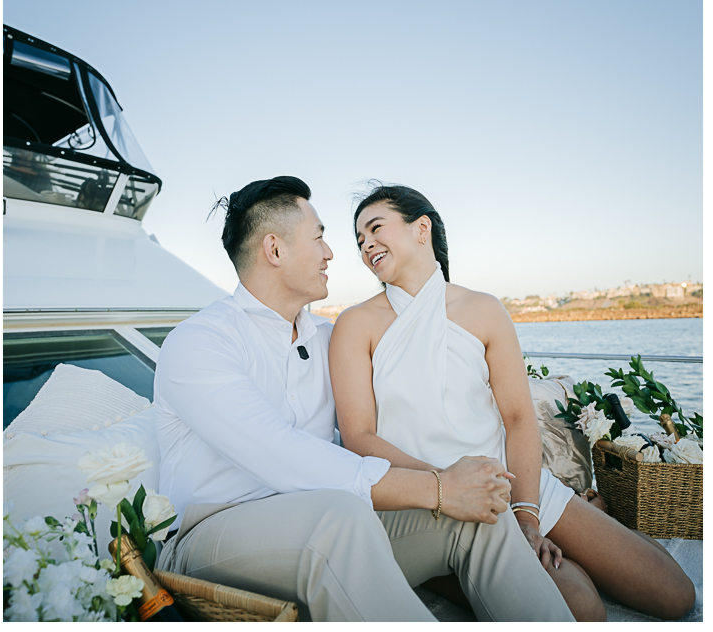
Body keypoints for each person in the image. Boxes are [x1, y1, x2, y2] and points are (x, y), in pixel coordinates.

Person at [154, 175, 575, 622]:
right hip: (212, 538)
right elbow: (280, 453)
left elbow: (395, 413)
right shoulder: (201, 342)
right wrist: (437, 487)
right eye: (319, 239)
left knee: (475, 519)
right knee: (340, 515)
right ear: (275, 250)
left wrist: (469, 488)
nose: (333, 253)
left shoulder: (327, 338)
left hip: (325, 520)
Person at [329, 183, 697, 621]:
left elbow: (520, 419)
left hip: (512, 483)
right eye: (359, 240)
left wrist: (526, 517)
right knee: (583, 608)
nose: (366, 244)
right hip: (430, 498)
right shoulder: (355, 324)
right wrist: (453, 484)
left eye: (375, 228)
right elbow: (358, 437)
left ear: (421, 228)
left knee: (676, 596)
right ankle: (441, 567)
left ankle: (579, 520)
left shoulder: (485, 309)